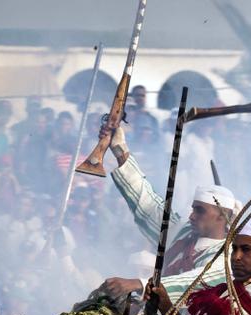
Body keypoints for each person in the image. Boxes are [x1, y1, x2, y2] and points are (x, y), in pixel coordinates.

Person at [97, 122, 234, 302]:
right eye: (193, 209)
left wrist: (141, 283)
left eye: (200, 211)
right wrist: (119, 149)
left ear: (222, 216)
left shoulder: (228, 255)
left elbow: (193, 281)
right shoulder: (184, 232)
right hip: (148, 314)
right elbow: (146, 203)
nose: (191, 215)